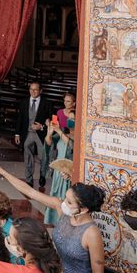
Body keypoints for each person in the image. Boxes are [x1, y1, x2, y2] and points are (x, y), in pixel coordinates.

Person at [44, 93, 76, 225]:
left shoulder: (73, 137)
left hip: (68, 171)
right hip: (58, 170)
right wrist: (49, 131)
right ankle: (54, 219)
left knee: (66, 195)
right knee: (55, 194)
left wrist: (58, 130)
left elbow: (70, 145)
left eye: (72, 120)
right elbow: (49, 143)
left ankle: (65, 221)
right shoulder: (62, 133)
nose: (70, 121)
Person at [15, 82, 52, 188]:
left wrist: (41, 127)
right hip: (28, 134)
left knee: (43, 157)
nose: (33, 92)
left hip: (41, 134)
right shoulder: (24, 102)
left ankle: (42, 176)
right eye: (31, 89)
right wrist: (17, 133)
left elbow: (51, 122)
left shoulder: (47, 103)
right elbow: (20, 118)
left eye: (36, 89)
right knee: (28, 157)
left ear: (41, 90)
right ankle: (29, 179)